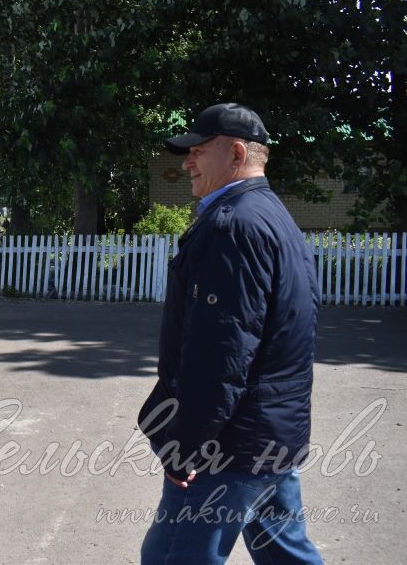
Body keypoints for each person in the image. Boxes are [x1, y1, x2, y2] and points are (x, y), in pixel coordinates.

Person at [137, 103, 322, 564]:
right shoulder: (271, 216)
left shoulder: (233, 226)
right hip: (268, 435)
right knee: (287, 555)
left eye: (198, 151)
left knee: (171, 558)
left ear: (236, 154)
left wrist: (188, 445)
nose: (187, 162)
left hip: (229, 446)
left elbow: (219, 354)